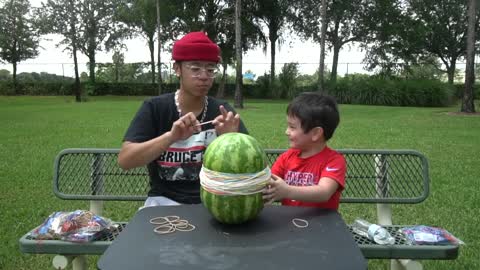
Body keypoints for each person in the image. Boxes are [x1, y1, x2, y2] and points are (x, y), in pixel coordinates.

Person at [118, 31, 248, 207]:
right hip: (163, 202)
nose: (204, 76)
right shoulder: (155, 108)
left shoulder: (222, 112)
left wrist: (232, 139)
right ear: (177, 69)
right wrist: (171, 137)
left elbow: (252, 166)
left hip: (213, 202)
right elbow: (125, 160)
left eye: (210, 69)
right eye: (195, 68)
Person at [262, 92, 346, 210]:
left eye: (292, 127)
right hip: (290, 224)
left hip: (322, 225)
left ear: (316, 133)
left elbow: (324, 192)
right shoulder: (286, 158)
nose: (287, 132)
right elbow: (268, 184)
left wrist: (287, 191)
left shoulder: (334, 161)